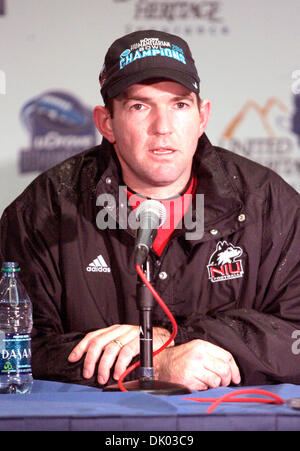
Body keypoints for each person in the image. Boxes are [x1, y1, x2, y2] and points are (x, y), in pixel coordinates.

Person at [1, 29, 300, 391]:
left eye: (179, 105)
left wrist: (175, 340)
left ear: (202, 117)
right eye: (139, 106)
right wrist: (149, 364)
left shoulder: (268, 203)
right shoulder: (44, 210)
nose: (163, 127)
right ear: (106, 123)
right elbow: (16, 344)